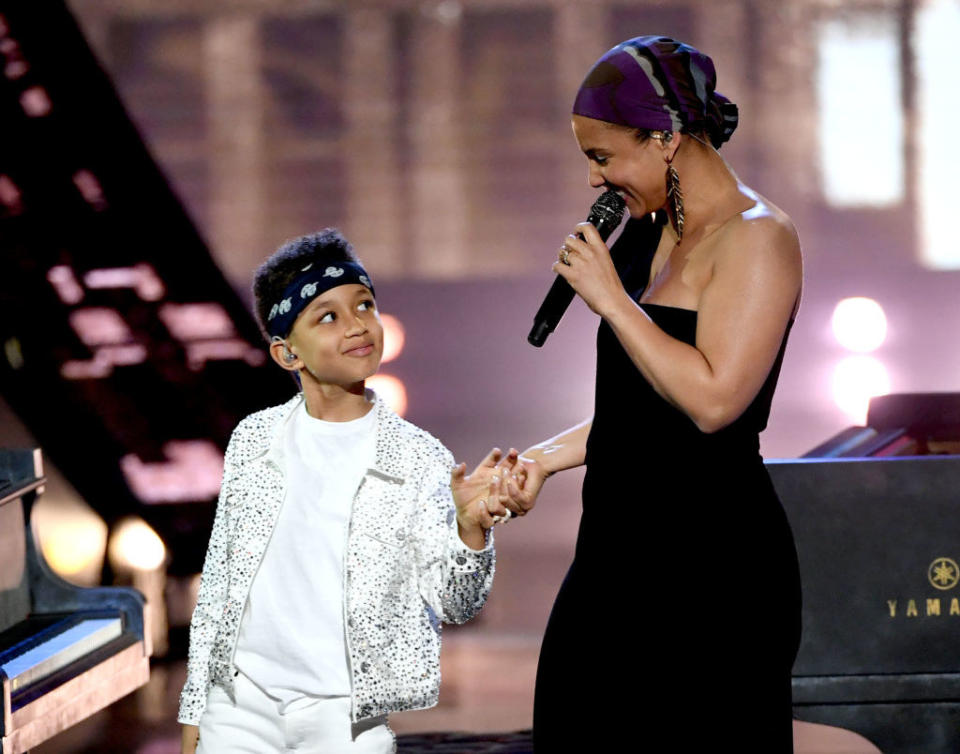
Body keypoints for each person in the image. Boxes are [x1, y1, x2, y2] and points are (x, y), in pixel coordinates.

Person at [501, 36, 803, 750]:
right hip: (614, 556)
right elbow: (638, 410)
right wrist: (543, 458)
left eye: (602, 157)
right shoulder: (645, 232)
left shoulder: (758, 239)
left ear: (664, 138)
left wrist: (613, 300)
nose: (591, 179)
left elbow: (713, 400)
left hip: (712, 571)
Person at [178, 229, 508, 754]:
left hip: (345, 717)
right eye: (328, 316)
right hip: (239, 707)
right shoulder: (255, 439)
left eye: (365, 305)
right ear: (288, 354)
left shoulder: (420, 458)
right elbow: (220, 579)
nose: (358, 326)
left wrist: (471, 531)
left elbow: (455, 604)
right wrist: (197, 708)